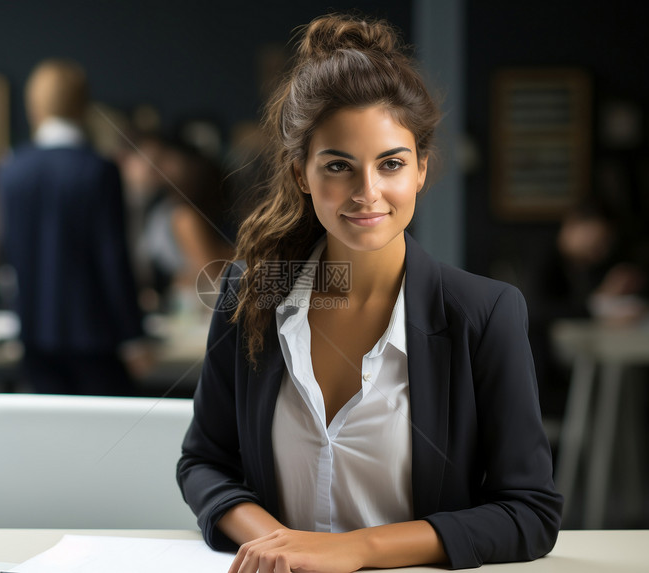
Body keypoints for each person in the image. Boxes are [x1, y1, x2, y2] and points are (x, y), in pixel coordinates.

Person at [177, 14, 562, 571]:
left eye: (391, 164)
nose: (368, 192)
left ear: (422, 170)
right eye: (338, 166)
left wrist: (353, 550)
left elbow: (529, 513)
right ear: (302, 174)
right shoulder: (249, 294)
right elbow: (204, 463)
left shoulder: (485, 313)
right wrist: (278, 542)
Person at [0, 59, 146, 396]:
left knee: (51, 438)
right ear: (83, 106)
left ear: (33, 107)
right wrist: (133, 336)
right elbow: (112, 257)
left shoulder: (11, 171)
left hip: (33, 334)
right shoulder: (99, 170)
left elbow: (7, 253)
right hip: (94, 336)